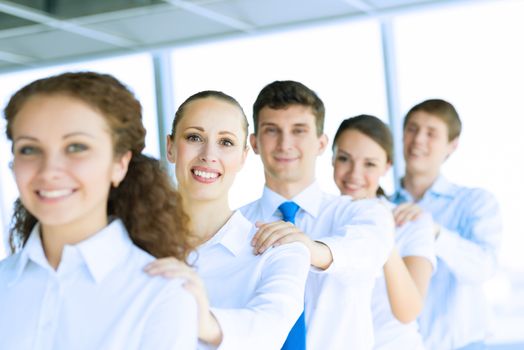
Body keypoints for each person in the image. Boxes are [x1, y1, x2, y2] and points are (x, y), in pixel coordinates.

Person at [0, 72, 198, 350]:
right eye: (29, 149)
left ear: (119, 163)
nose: (49, 171)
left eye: (76, 147)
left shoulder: (160, 296)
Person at [145, 90, 310, 349]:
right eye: (194, 137)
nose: (208, 154)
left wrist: (205, 322)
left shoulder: (280, 250)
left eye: (226, 142)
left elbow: (270, 328)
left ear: (243, 157)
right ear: (170, 147)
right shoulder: (133, 241)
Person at [240, 80, 395, 349]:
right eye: (272, 130)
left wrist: (310, 249)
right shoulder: (235, 225)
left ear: (322, 143)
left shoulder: (361, 212)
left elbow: (368, 252)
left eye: (298, 131)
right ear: (254, 142)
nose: (285, 143)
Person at [391, 99, 502, 350]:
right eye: (412, 129)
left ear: (452, 146)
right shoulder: (384, 208)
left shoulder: (475, 202)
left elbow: (484, 268)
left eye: (431, 133)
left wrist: (435, 232)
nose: (418, 139)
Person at [332, 114, 436, 349]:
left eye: (369, 164)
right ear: (332, 159)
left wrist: (380, 231)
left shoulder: (412, 222)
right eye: (344, 159)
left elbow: (408, 311)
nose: (354, 174)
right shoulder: (318, 218)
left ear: (387, 166)